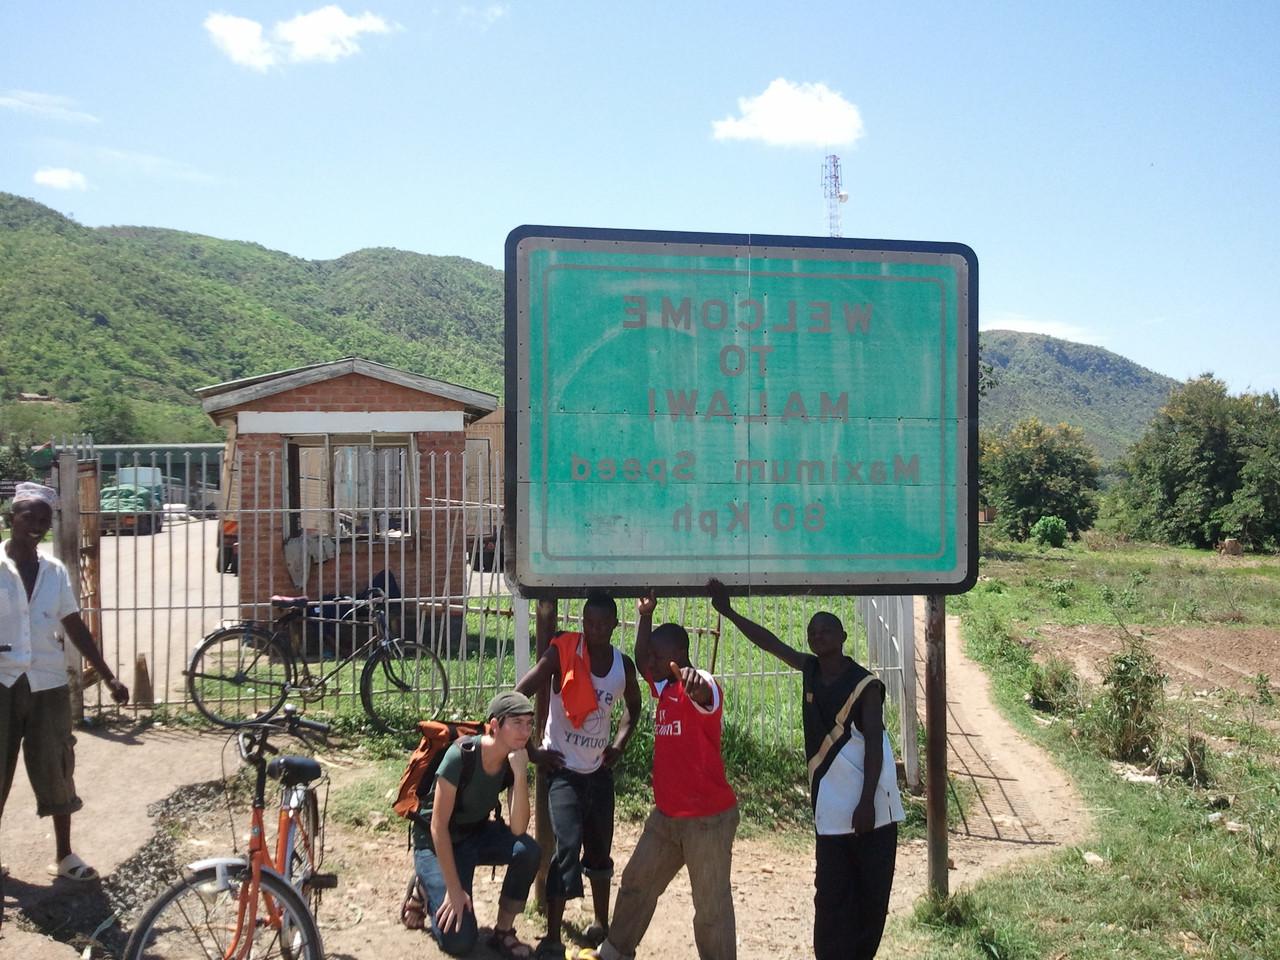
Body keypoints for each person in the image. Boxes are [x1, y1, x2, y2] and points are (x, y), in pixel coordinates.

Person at [707, 579, 904, 960]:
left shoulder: (866, 686)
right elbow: (770, 643)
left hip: (872, 813)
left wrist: (866, 804)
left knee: (870, 898)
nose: (818, 636)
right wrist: (728, 612)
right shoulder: (810, 670)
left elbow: (876, 750)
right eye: (812, 632)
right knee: (830, 896)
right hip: (831, 812)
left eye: (826, 629)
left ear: (843, 636)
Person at [594, 591, 739, 960]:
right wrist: (645, 615)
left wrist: (696, 683)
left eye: (659, 657)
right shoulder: (663, 688)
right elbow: (644, 657)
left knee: (711, 910)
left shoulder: (697, 686)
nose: (650, 662)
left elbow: (706, 692)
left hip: (706, 819)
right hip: (667, 815)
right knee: (636, 884)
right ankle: (615, 950)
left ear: (678, 657)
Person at [1, 482, 129, 882]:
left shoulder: (54, 571)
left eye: (44, 519)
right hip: (2, 683)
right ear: (10, 520)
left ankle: (65, 856)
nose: (36, 525)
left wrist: (108, 677)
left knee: (58, 765)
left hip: (47, 684)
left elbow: (74, 626)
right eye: (29, 517)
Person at [515, 591, 642, 958]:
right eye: (590, 624)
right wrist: (533, 750)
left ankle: (601, 925)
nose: (597, 630)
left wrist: (618, 745)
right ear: (583, 624)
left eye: (604, 624)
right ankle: (553, 936)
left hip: (598, 774)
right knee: (564, 848)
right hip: (564, 771)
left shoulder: (623, 666)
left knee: (600, 852)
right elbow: (520, 693)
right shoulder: (563, 653)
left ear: (615, 626)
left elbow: (633, 708)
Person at [413, 690, 540, 958]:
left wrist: (519, 775)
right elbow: (437, 827)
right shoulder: (461, 756)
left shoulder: (512, 761)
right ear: (495, 725)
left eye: (529, 723)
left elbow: (518, 830)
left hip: (474, 837)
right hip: (435, 845)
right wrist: (453, 890)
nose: (525, 731)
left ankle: (504, 931)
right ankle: (424, 886)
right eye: (517, 723)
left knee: (528, 851)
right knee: (460, 942)